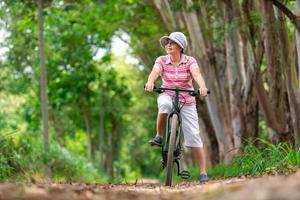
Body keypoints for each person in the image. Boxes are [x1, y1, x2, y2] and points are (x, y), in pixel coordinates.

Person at [144, 32, 209, 183]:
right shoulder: (161, 60)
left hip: (187, 99)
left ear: (180, 46)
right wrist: (150, 82)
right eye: (167, 42)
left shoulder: (189, 61)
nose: (168, 44)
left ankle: (203, 172)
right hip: (167, 93)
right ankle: (159, 136)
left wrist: (203, 87)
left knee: (193, 134)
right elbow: (155, 72)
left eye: (172, 42)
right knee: (165, 105)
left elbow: (197, 74)